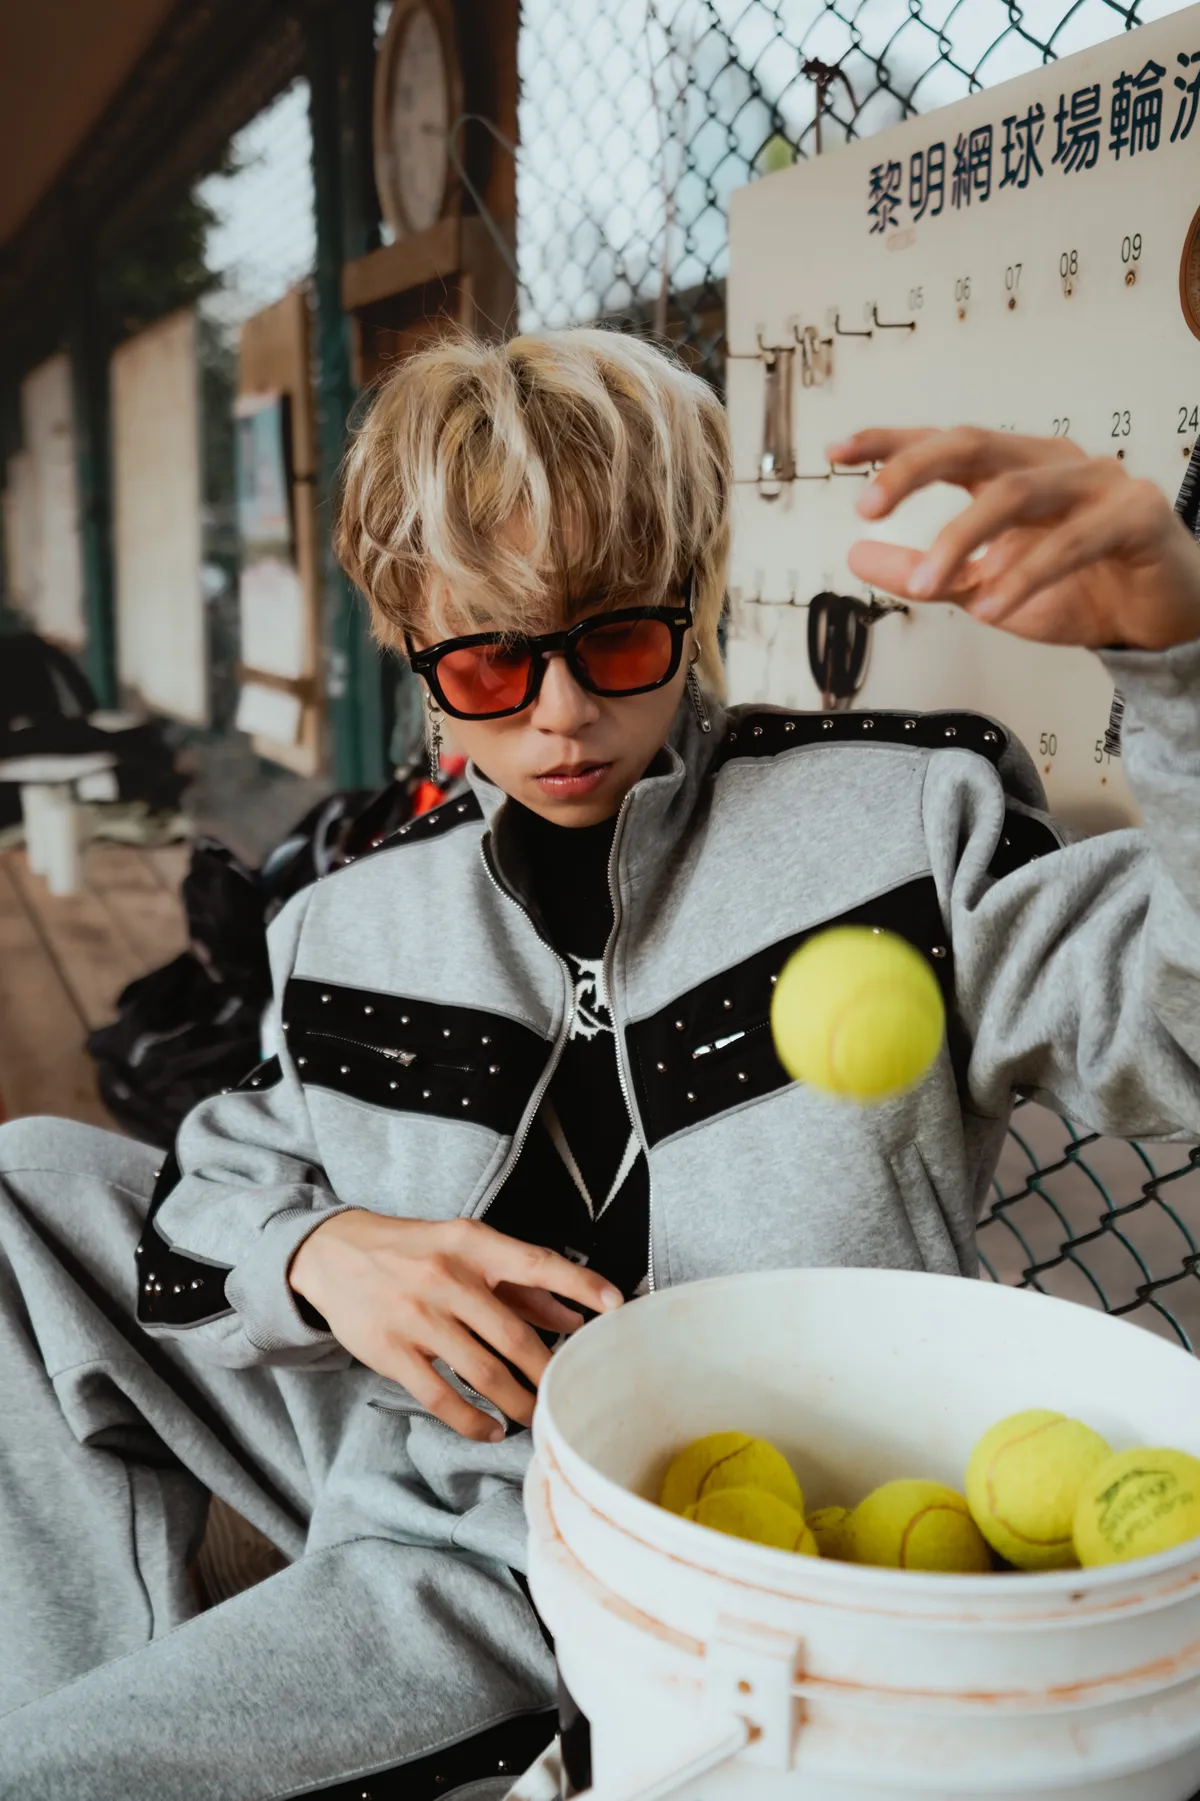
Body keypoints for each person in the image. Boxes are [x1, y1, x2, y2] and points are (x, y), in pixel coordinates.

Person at [1, 327, 1198, 1801]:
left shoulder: (904, 820)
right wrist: (319, 1252)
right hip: (428, 1468)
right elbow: (216, 1187)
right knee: (21, 1178)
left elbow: (1179, 1032)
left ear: (689, 599)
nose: (562, 713)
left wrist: (1181, 664)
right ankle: (122, 1686)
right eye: (492, 660)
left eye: (617, 640)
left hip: (651, 1569)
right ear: (414, 647)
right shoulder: (346, 919)